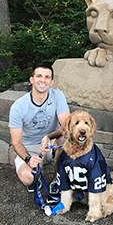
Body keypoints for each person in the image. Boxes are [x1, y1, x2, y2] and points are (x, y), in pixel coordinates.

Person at [9, 62, 70, 192]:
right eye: (39, 76)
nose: (43, 80)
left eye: (47, 77)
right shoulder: (19, 106)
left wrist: (48, 136)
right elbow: (16, 142)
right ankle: (35, 173)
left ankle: (56, 180)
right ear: (32, 80)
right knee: (28, 177)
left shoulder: (58, 96)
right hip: (28, 147)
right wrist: (28, 159)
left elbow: (67, 126)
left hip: (50, 144)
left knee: (66, 139)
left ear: (52, 82)